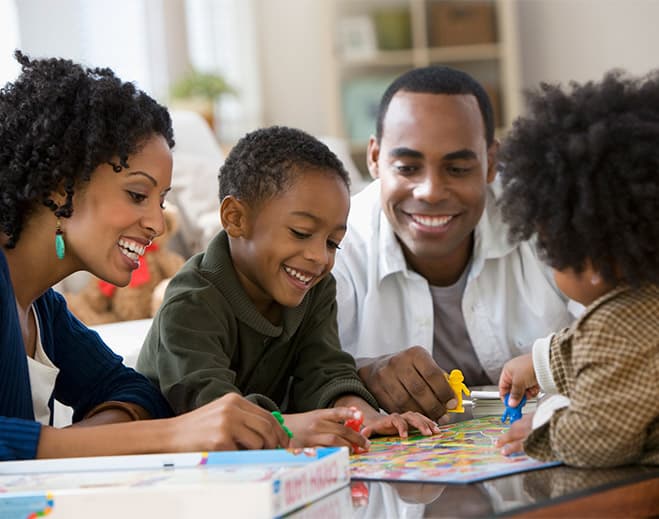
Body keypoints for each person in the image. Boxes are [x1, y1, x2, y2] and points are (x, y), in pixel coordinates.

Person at [0, 51, 291, 461]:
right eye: (138, 195)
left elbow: (134, 392)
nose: (156, 223)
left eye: (162, 200)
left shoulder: (41, 307)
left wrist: (80, 445)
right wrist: (170, 436)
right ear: (59, 185)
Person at [137, 126, 439, 451]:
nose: (318, 257)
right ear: (236, 218)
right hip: (174, 472)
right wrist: (291, 427)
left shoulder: (315, 289)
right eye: (300, 232)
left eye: (333, 243)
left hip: (259, 466)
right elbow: (208, 407)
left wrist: (360, 416)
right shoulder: (191, 301)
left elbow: (324, 369)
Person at [333, 66, 576, 421]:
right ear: (374, 158)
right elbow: (296, 375)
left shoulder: (546, 218)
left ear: (491, 163)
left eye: (458, 169)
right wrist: (361, 375)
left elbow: (625, 332)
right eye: (406, 167)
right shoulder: (335, 243)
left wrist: (554, 361)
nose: (430, 192)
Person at [495, 70, 659, 467]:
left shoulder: (615, 328)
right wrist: (540, 362)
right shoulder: (643, 299)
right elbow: (597, 349)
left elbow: (597, 441)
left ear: (597, 264)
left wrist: (545, 423)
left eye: (551, 249)